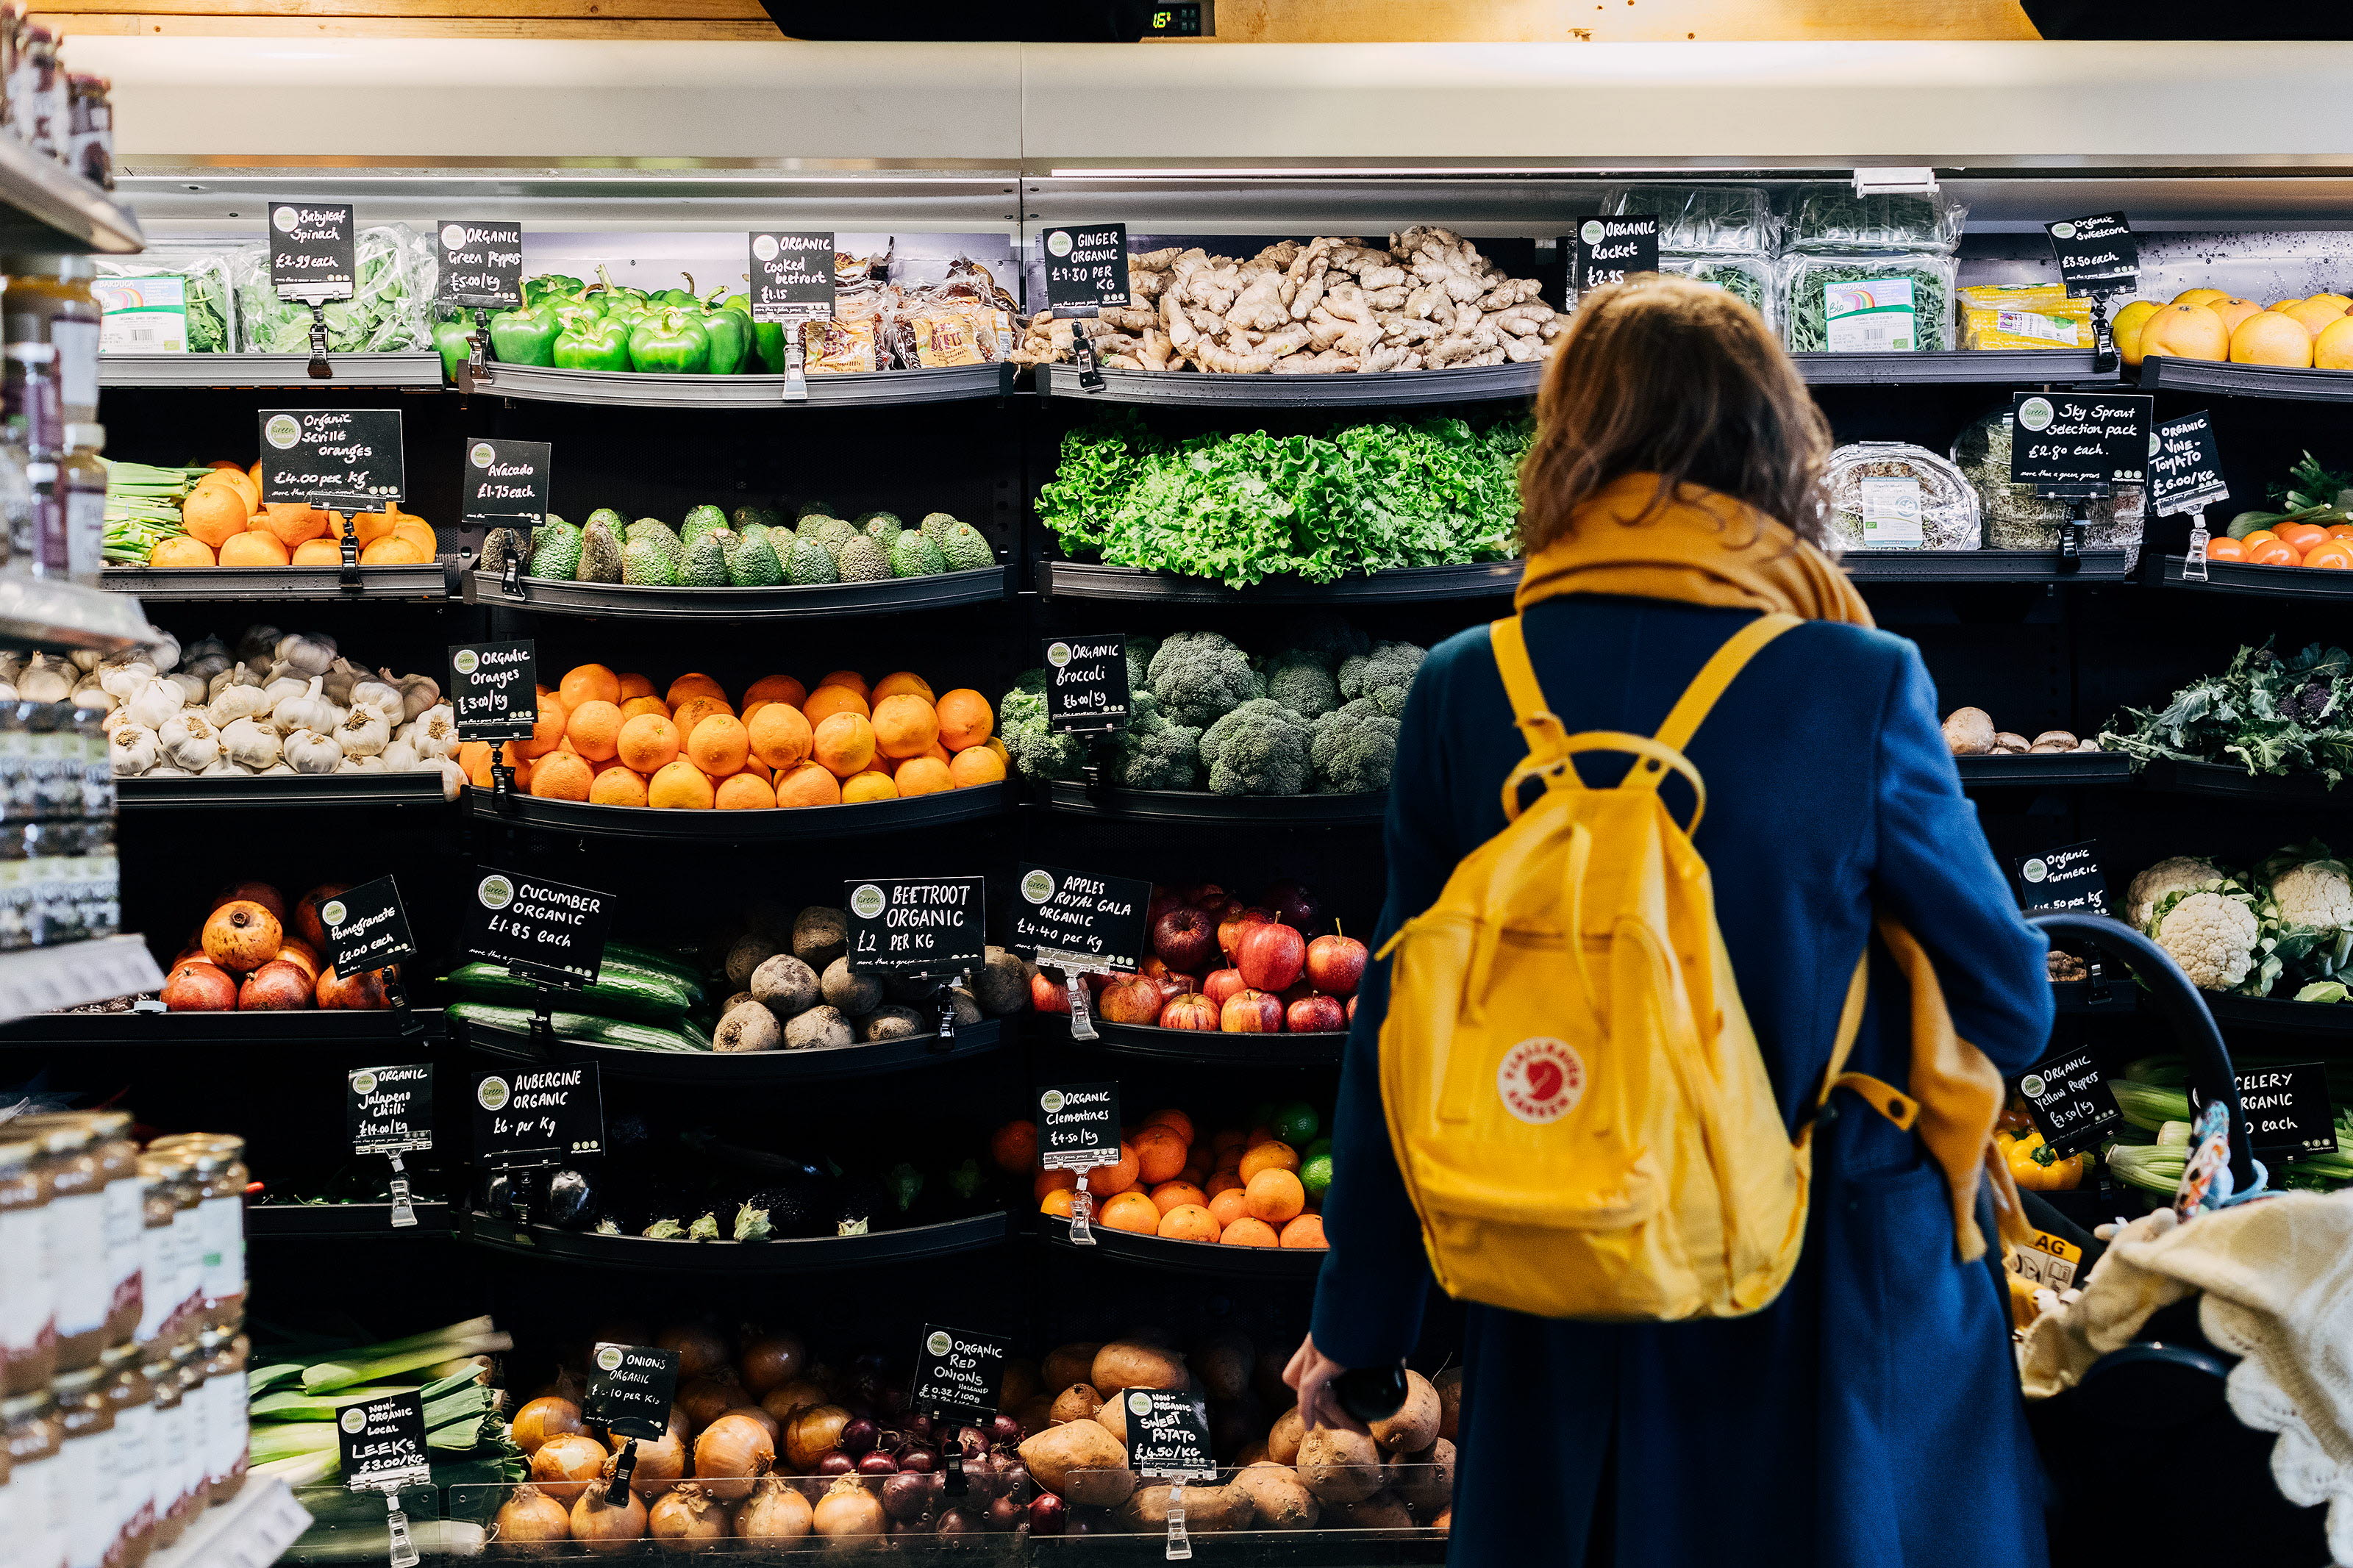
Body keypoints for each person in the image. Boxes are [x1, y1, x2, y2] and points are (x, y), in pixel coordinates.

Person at [1285, 276, 2054, 1567]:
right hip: (1815, 1309)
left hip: (1556, 1273)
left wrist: (1364, 1325)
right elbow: (2010, 1003)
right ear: (1776, 448)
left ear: (1567, 443)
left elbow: (1395, 1031)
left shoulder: (1468, 688)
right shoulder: (1857, 679)